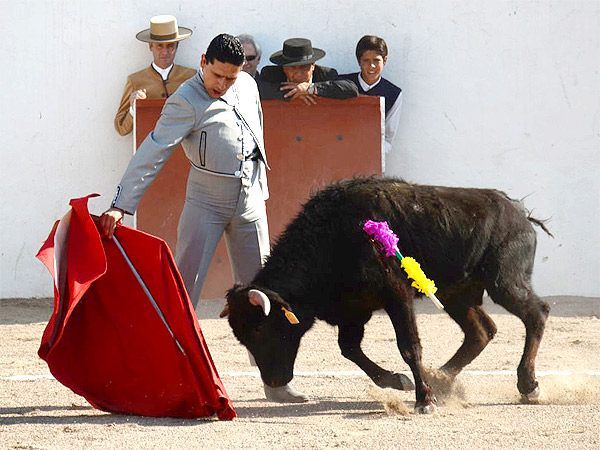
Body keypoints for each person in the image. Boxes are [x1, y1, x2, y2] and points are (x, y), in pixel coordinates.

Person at [100, 33, 308, 404]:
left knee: (262, 293)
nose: (224, 85)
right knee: (184, 290)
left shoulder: (246, 84)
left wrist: (259, 192)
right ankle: (163, 374)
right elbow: (153, 151)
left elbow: (255, 135)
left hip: (248, 203)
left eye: (231, 77)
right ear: (202, 62)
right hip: (205, 204)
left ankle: (274, 381)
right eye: (218, 77)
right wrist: (122, 204)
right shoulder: (185, 100)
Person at [114, 15, 197, 136]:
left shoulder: (191, 77)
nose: (165, 52)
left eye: (170, 46)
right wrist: (133, 108)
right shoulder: (135, 81)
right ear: (150, 46)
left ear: (177, 46)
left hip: (185, 149)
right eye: (159, 46)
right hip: (149, 149)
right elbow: (121, 128)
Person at [339, 35, 403, 154]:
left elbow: (388, 139)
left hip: (371, 158)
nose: (372, 66)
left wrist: (370, 150)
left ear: (384, 61)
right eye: (366, 60)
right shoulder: (342, 83)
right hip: (340, 153)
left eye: (376, 60)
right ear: (359, 61)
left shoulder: (393, 93)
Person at [258, 38, 358, 104]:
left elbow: (351, 89)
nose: (298, 73)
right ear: (284, 68)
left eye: (303, 67)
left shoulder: (326, 74)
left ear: (313, 66)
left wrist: (311, 88)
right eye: (293, 68)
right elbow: (257, 89)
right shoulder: (270, 74)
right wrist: (295, 91)